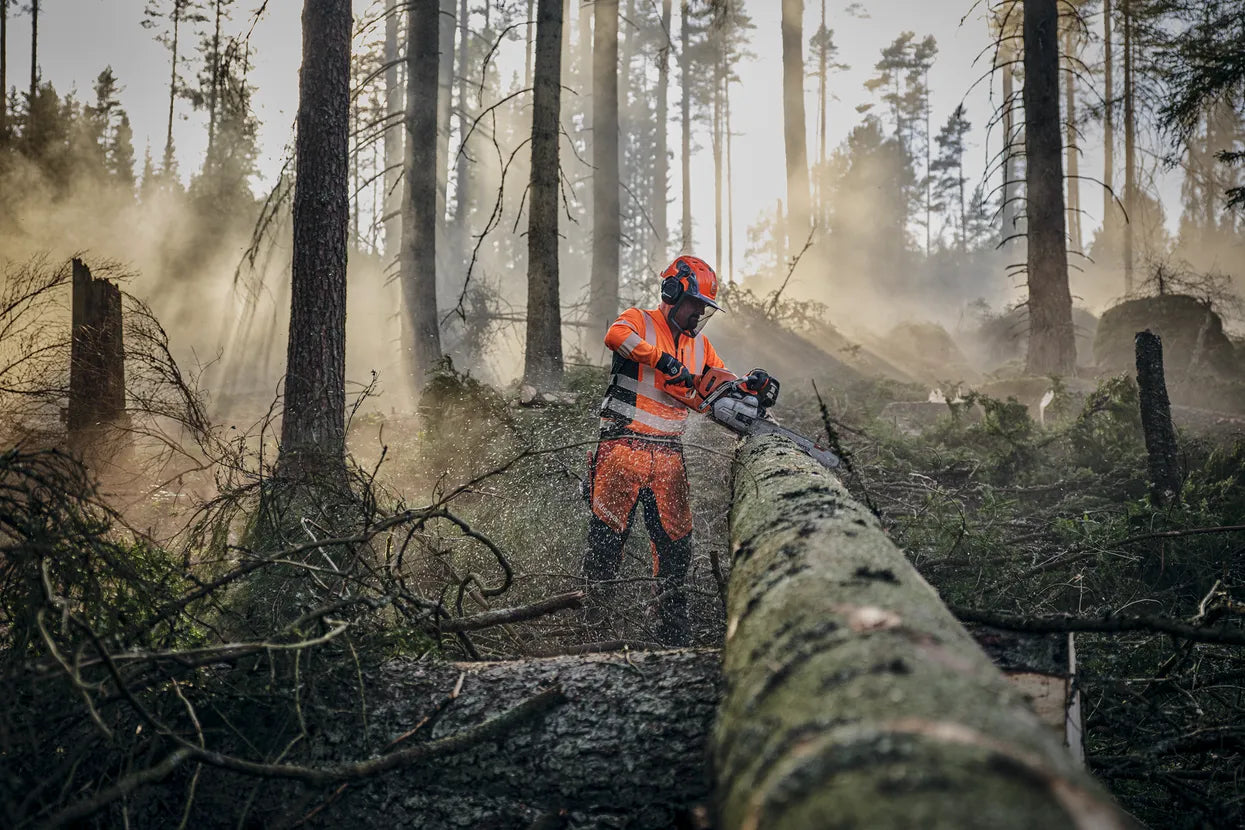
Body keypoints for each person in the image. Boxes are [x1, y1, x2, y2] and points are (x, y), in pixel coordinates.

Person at [582, 254, 732, 646]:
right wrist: (660, 359)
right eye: (694, 304)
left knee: (676, 551)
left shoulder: (701, 348)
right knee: (605, 548)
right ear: (673, 292)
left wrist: (748, 388)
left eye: (703, 307)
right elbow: (615, 336)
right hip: (621, 449)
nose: (698, 313)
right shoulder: (641, 321)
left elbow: (717, 389)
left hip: (668, 457)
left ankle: (671, 636)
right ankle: (593, 629)